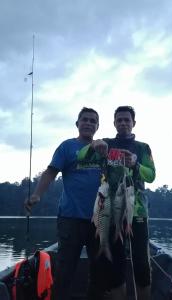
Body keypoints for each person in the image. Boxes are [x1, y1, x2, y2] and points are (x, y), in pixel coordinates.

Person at [24, 107, 105, 300]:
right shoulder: (66, 147)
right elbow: (51, 172)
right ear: (77, 124)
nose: (88, 123)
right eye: (84, 119)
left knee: (99, 269)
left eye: (93, 121)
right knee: (65, 270)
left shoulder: (103, 149)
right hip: (70, 219)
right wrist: (37, 195)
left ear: (97, 126)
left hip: (100, 219)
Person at [88, 106, 156, 300]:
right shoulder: (107, 144)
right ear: (114, 123)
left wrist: (136, 164)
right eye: (119, 120)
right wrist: (94, 144)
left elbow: (151, 176)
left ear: (134, 123)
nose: (123, 123)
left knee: (142, 263)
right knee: (116, 262)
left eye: (127, 120)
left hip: (138, 212)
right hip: (112, 211)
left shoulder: (143, 148)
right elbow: (82, 155)